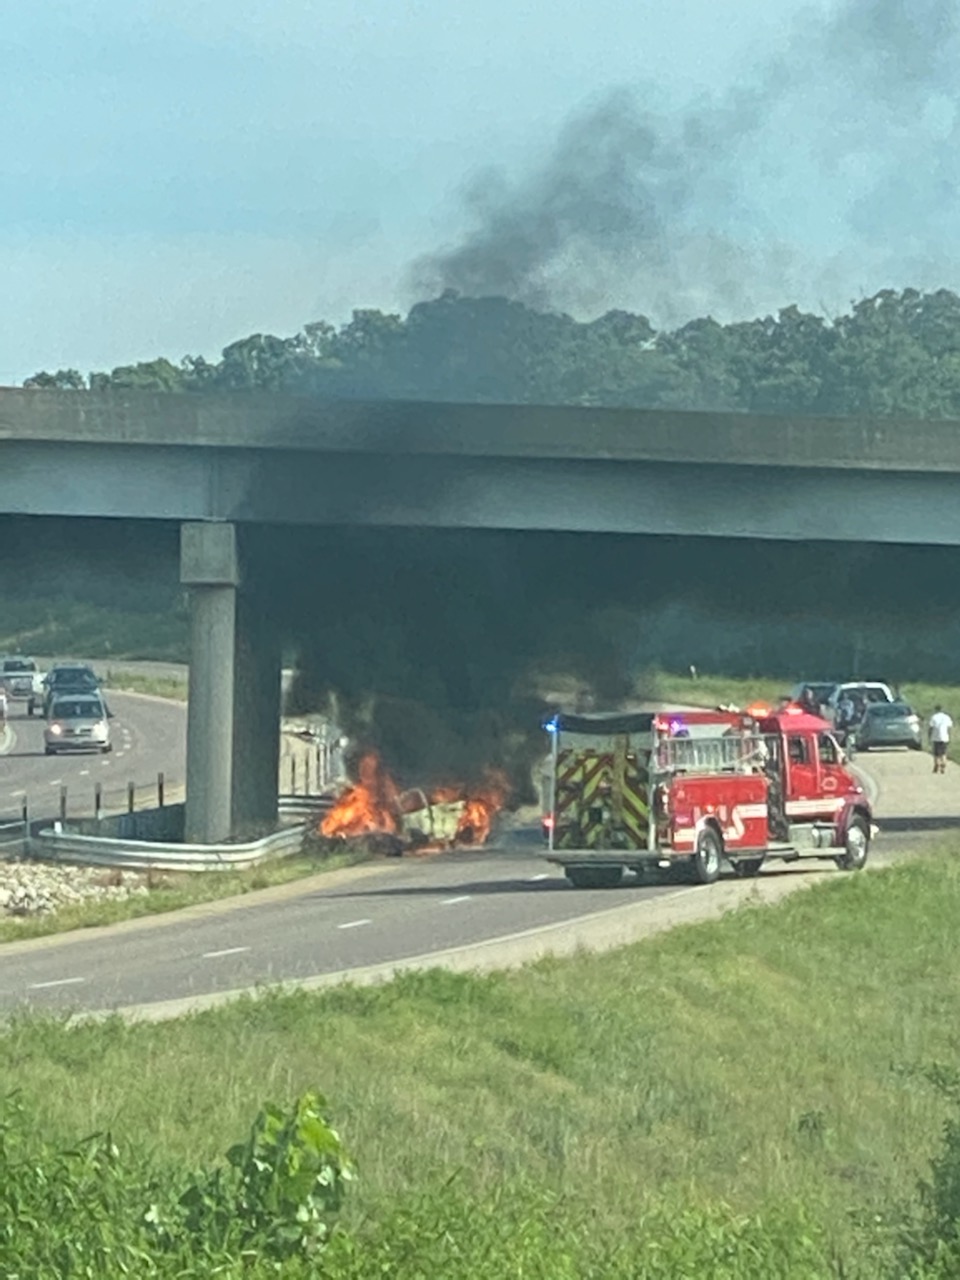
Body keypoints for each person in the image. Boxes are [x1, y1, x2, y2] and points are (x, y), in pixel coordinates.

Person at [928, 704, 954, 775]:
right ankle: (943, 764)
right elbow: (949, 728)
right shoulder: (946, 717)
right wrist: (949, 736)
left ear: (936, 710)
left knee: (936, 753)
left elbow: (931, 727)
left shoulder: (934, 717)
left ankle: (937, 764)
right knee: (943, 752)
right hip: (945, 737)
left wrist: (929, 736)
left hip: (936, 737)